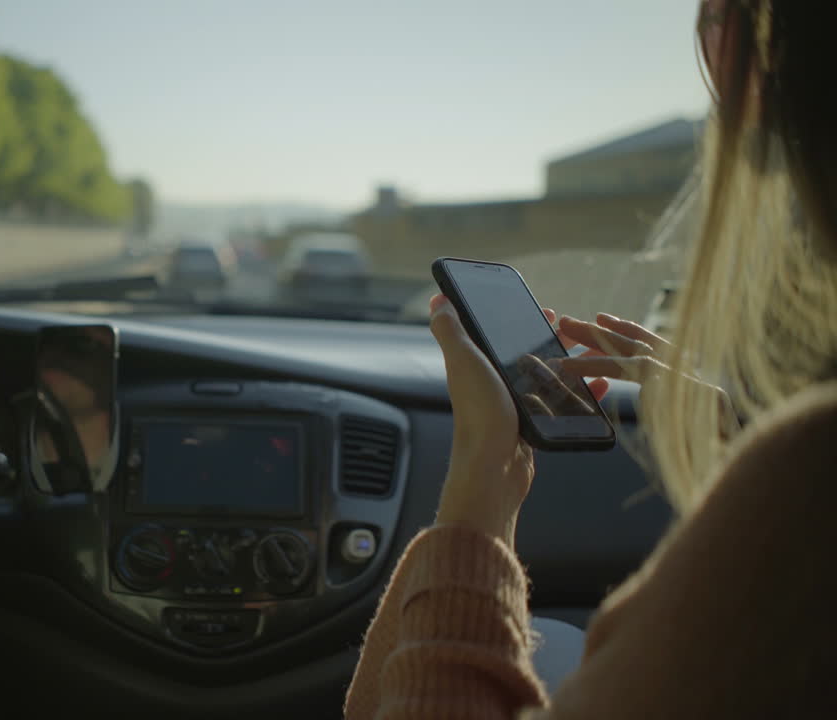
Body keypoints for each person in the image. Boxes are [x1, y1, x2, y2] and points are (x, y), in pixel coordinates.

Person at [345, 1, 837, 717]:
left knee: (551, 639)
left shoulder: (812, 479)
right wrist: (737, 443)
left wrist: (481, 482)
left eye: (721, 31)